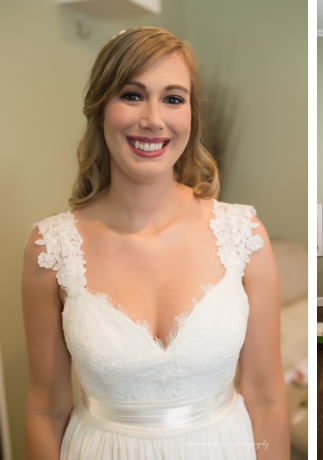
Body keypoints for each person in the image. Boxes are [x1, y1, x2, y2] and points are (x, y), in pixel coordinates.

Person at [21, 27, 289, 459]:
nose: (153, 118)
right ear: (100, 110)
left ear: (191, 116)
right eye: (131, 94)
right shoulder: (49, 249)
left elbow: (266, 396)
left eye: (172, 98)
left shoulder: (245, 236)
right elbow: (45, 409)